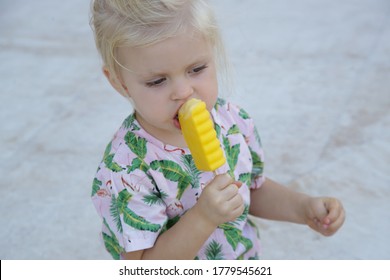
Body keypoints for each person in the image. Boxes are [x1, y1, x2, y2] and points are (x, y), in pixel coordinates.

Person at [90, 0, 345, 260]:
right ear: (118, 82)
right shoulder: (125, 170)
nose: (183, 92)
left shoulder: (231, 121)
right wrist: (203, 217)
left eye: (196, 69)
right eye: (157, 81)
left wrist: (303, 208)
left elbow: (251, 189)